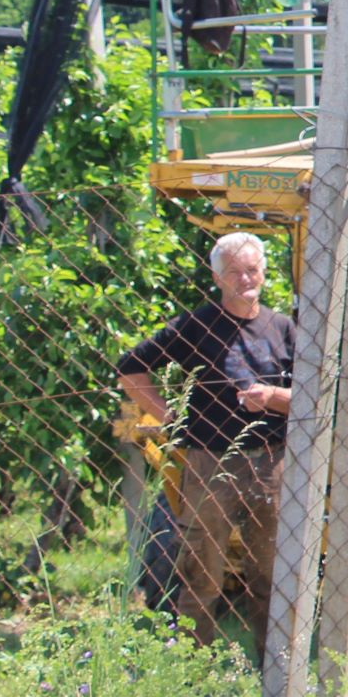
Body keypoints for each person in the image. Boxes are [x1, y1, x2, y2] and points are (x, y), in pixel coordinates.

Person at [116, 232, 297, 647]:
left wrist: (270, 397)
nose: (245, 279)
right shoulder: (196, 325)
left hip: (272, 462)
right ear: (217, 278)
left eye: (252, 270)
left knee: (271, 572)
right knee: (202, 571)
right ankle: (193, 668)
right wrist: (166, 415)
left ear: (264, 274)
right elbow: (130, 368)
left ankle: (276, 668)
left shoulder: (284, 328)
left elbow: (317, 396)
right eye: (234, 272)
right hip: (209, 461)